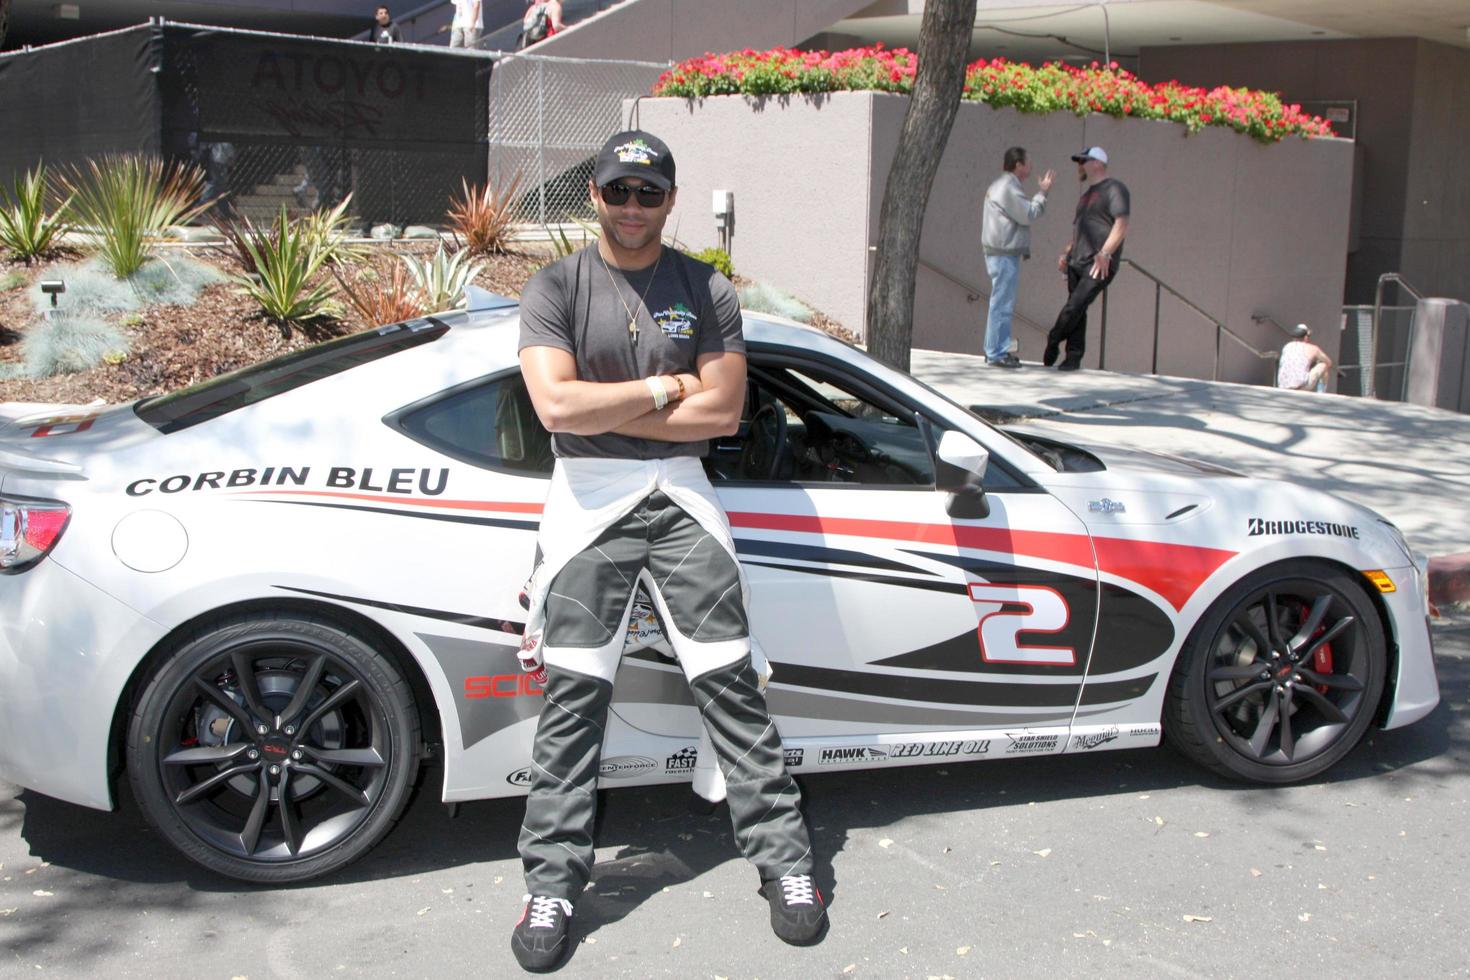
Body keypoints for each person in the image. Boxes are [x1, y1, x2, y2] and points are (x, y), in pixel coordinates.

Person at [511, 130, 827, 972]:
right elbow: (553, 408)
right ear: (596, 198)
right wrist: (658, 389)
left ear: (670, 200)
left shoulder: (705, 287)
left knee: (731, 683)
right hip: (586, 504)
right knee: (573, 702)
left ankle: (787, 866)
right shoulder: (556, 285)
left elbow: (722, 415)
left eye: (649, 194)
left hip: (683, 495)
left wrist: (603, 408)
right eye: (619, 192)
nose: (633, 208)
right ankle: (551, 882)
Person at [1045, 146, 1130, 371]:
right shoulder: (1086, 195)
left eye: (1084, 161)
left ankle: (1053, 339)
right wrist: (1066, 252)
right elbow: (1080, 229)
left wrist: (1105, 253)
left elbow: (1121, 225)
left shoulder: (1115, 188)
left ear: (1098, 163)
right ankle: (1073, 356)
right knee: (1078, 310)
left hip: (1098, 262)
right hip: (1077, 261)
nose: (1080, 166)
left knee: (1075, 305)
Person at [981, 146, 1055, 368]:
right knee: (1002, 303)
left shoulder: (1002, 185)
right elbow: (1028, 214)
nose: (1031, 167)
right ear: (1018, 165)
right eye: (1028, 162)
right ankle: (996, 352)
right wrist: (1043, 193)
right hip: (1003, 254)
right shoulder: (1008, 187)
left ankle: (995, 349)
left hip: (1000, 252)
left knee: (1000, 302)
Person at [1277, 323, 1332, 392]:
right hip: (1302, 387)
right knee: (1324, 364)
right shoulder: (1313, 348)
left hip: (1283, 386)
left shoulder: (1287, 346)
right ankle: (1321, 393)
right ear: (1305, 337)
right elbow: (1329, 362)